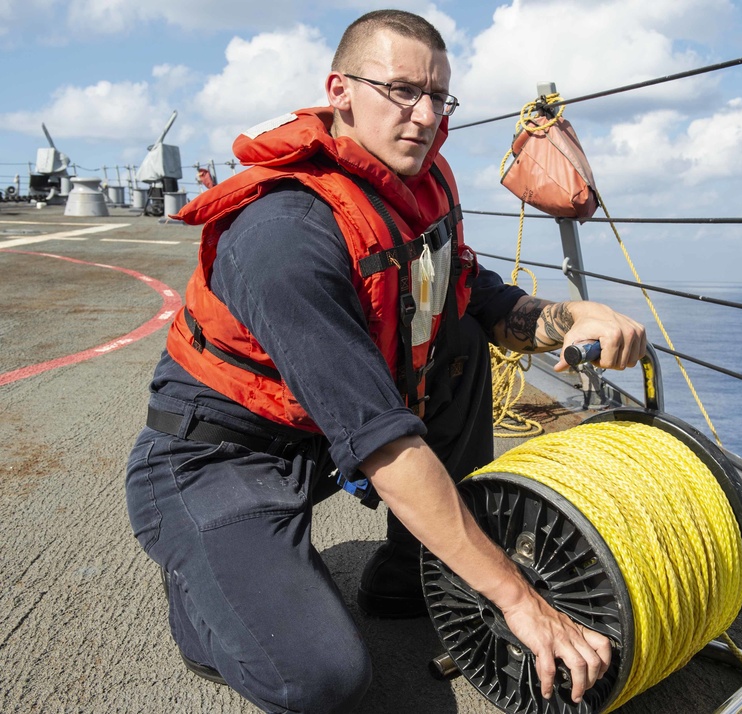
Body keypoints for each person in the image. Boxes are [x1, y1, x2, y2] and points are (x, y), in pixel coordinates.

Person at [125, 9, 646, 713]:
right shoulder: (286, 235)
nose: (425, 114)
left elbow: (471, 291)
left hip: (317, 438)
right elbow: (383, 443)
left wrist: (564, 319)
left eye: (439, 97)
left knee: (459, 335)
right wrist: (519, 600)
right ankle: (205, 590)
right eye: (401, 90)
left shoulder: (421, 182)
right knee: (322, 679)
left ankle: (413, 572)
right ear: (340, 90)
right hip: (218, 459)